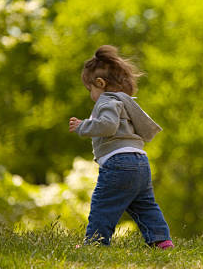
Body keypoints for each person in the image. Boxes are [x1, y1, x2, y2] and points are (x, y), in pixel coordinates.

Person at [69, 45, 173, 249]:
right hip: (140, 161)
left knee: (103, 204)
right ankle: (161, 240)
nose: (91, 95)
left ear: (99, 83)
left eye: (91, 90)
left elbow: (108, 125)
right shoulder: (127, 102)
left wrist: (83, 126)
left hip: (118, 163)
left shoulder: (107, 100)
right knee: (145, 205)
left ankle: (95, 243)